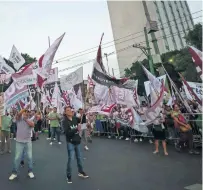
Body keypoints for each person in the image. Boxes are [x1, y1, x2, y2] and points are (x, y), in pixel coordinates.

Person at [62, 106, 89, 184]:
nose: (70, 111)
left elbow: (81, 120)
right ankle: (69, 176)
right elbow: (67, 133)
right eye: (68, 110)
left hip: (77, 141)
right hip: (70, 142)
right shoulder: (64, 121)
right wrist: (76, 129)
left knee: (79, 158)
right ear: (65, 112)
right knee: (71, 159)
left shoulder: (74, 118)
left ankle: (81, 172)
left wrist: (82, 114)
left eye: (70, 110)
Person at [9, 107, 35, 180]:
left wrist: (26, 119)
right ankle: (14, 173)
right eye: (25, 112)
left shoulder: (30, 120)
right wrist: (24, 109)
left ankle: (30, 171)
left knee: (30, 157)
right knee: (17, 158)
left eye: (27, 112)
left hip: (28, 141)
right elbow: (18, 114)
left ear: (29, 114)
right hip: (19, 142)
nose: (26, 113)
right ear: (23, 113)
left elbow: (32, 125)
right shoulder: (18, 119)